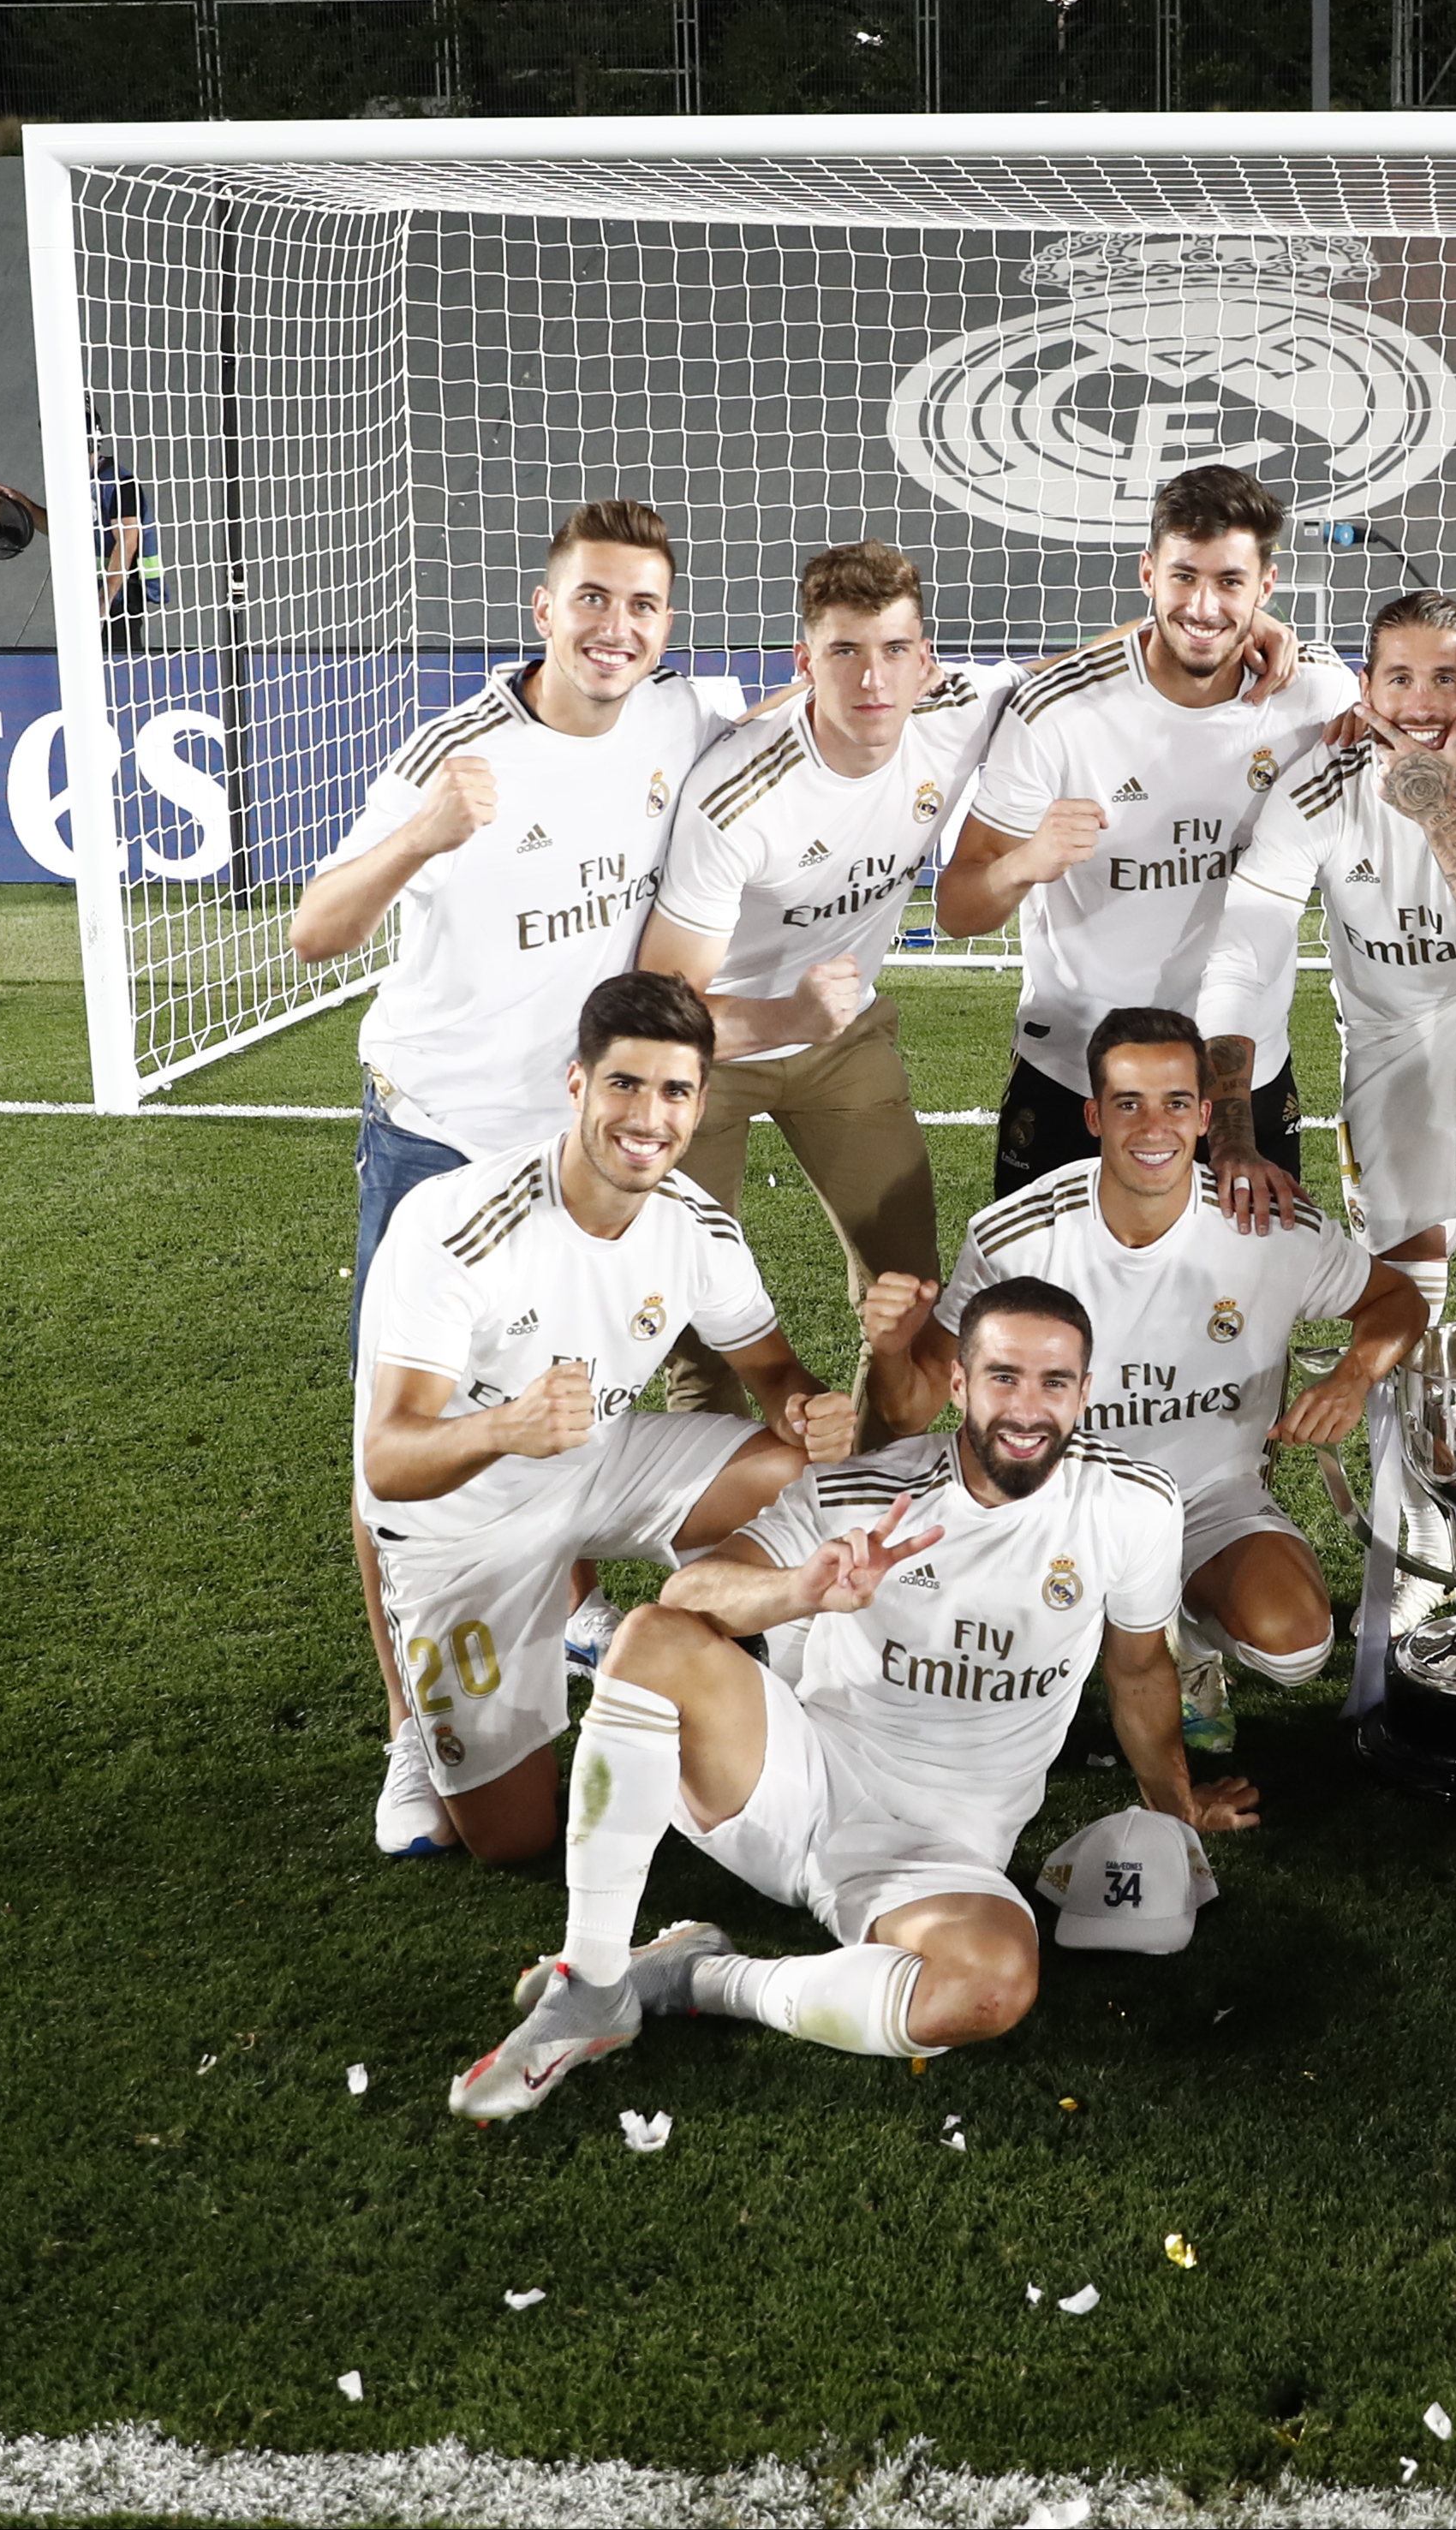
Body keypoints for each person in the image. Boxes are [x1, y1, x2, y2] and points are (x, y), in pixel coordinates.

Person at [448, 1275, 1252, 2117]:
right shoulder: (865, 1491)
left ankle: (698, 1976)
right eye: (1004, 1377)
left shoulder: (1130, 1508)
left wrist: (1174, 1804)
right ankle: (592, 1979)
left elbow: (1137, 1670)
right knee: (651, 1636)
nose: (1028, 1408)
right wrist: (801, 1590)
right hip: (794, 1783)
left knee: (994, 1984)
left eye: (1055, 1382)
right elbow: (690, 1600)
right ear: (959, 1386)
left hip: (942, 1852)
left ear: (1085, 1393)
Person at [351, 972, 862, 1868]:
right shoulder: (459, 1225)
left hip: (599, 1464)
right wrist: (503, 1428)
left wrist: (807, 1410)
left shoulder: (695, 1227)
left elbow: (775, 1369)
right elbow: (387, 1462)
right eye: (624, 1084)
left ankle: (738, 1704)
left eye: (674, 1091)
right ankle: (418, 1737)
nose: (648, 1116)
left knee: (789, 1476)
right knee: (513, 1843)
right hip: (465, 1520)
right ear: (577, 1084)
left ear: (700, 1104)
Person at [865, 1008, 1428, 1757]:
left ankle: (1177, 1630)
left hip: (1208, 1496)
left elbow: (1399, 1302)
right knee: (959, 1677)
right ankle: (1095, 1619)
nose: (1153, 1127)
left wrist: (1355, 1376)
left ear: (1204, 1116)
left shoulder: (1268, 1226)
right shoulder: (1018, 1235)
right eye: (1129, 1104)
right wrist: (894, 1350)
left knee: (1296, 1645)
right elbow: (913, 1407)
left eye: (1175, 1104)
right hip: (1056, 1498)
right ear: (1095, 1116)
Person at [291, 498, 730, 1339]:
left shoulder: (676, 715)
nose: (615, 628)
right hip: (439, 1131)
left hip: (576, 1139)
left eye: (641, 606)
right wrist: (424, 835)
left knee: (560, 1397)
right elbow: (314, 932)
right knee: (403, 1414)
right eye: (591, 598)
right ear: (544, 610)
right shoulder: (456, 754)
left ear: (665, 625)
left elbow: (786, 721)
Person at [636, 540, 1006, 1405]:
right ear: (806, 662)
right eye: (844, 651)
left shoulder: (962, 710)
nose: (872, 680)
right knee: (697, 1324)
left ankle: (872, 1506)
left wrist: (1235, 624)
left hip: (841, 1038)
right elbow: (662, 1013)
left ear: (927, 662)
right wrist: (787, 1018)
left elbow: (1090, 675)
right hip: (711, 1050)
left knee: (910, 1298)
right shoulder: (736, 794)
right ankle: (724, 1533)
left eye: (893, 651)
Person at [941, 464, 1361, 1208]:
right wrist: (1028, 864)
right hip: (1078, 1072)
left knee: (1243, 1315)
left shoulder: (1318, 694)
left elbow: (1420, 726)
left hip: (1243, 1072)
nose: (1204, 606)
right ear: (1147, 573)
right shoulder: (1057, 711)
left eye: (1231, 582)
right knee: (1047, 1313)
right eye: (1183, 577)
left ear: (1267, 588)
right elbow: (958, 907)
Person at [1198, 588, 1456, 1338]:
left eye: (1445, 679)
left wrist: (1437, 809)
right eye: (1400, 679)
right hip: (1388, 1033)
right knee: (1404, 1283)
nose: (1420, 703)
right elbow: (1242, 958)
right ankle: (1398, 1458)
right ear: (1366, 688)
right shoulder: (1319, 784)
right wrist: (1230, 1132)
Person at [86, 431, 158, 653]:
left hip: (120, 599)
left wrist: (103, 602)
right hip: (83, 593)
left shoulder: (121, 483)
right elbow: (58, 529)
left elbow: (127, 543)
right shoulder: (74, 483)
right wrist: (21, 503)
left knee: (121, 674)